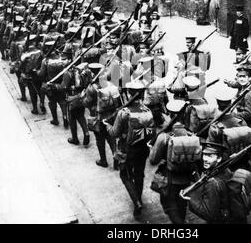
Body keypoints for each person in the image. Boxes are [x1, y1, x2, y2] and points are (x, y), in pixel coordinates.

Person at [104, 81, 156, 219]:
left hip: (127, 150)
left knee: (125, 175)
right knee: (139, 175)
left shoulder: (124, 113)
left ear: (128, 93)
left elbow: (114, 133)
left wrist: (107, 125)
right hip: (143, 149)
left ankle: (137, 202)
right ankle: (138, 201)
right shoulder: (148, 111)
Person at [150, 100, 199, 224]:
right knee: (182, 206)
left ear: (170, 115)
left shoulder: (164, 137)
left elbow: (153, 160)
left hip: (169, 179)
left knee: (170, 207)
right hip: (186, 178)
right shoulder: (191, 135)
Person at [183, 143, 233, 224]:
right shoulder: (225, 170)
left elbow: (209, 214)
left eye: (210, 156)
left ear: (219, 158)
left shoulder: (212, 182)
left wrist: (191, 200)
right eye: (204, 155)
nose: (205, 159)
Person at [82, 63, 118, 168]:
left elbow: (87, 103)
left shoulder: (91, 87)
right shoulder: (110, 84)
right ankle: (116, 160)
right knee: (112, 139)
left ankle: (103, 160)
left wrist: (83, 97)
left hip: (97, 117)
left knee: (100, 140)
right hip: (110, 116)